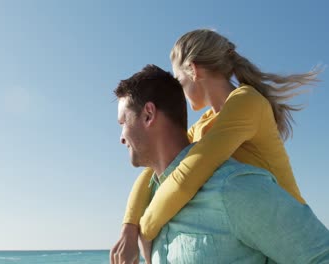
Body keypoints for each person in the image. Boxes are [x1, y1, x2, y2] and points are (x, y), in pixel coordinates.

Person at [111, 29, 322, 263]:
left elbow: (188, 175)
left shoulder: (246, 102)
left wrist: (147, 228)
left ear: (193, 70)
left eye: (179, 81)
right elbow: (156, 171)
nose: (179, 91)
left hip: (288, 235)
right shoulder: (205, 124)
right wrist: (129, 227)